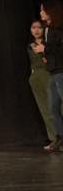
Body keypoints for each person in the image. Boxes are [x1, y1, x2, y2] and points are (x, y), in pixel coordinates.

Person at [25, 19, 56, 147]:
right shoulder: (30, 46)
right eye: (33, 28)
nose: (36, 30)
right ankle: (54, 139)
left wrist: (44, 52)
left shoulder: (48, 43)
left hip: (49, 75)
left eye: (39, 27)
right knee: (44, 109)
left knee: (55, 107)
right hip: (36, 78)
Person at [40, 0, 63, 151]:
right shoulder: (47, 28)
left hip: (61, 71)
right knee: (53, 107)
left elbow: (59, 48)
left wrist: (45, 49)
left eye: (43, 10)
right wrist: (46, 56)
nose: (41, 13)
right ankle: (60, 137)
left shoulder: (59, 29)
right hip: (53, 72)